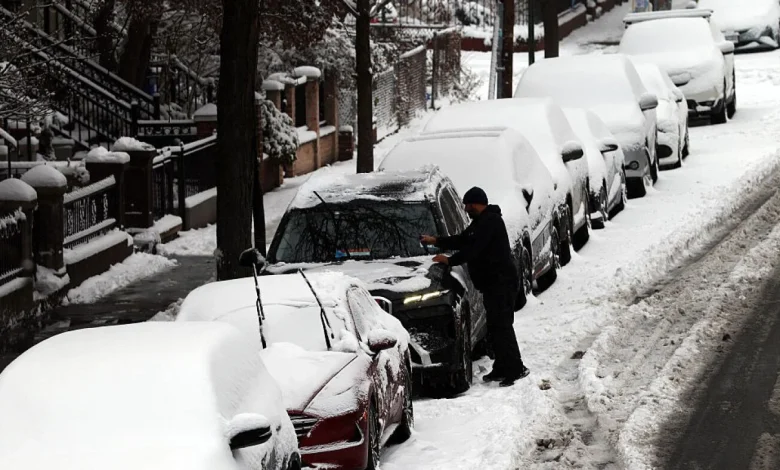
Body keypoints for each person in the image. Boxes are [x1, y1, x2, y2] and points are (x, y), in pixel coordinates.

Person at [421, 186, 530, 387]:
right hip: (492, 285)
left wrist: (450, 260)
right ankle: (501, 366)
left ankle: (515, 369)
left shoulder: (491, 223)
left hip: (501, 284)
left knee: (502, 327)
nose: (466, 209)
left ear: (477, 203)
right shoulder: (481, 223)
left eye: (468, 205)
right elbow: (463, 240)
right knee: (495, 327)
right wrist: (436, 240)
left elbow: (473, 250)